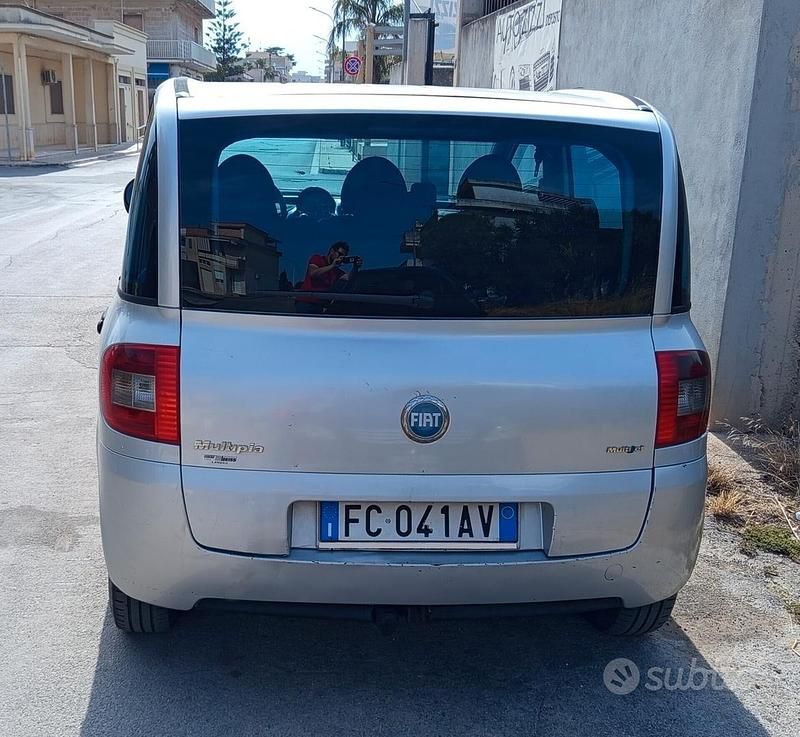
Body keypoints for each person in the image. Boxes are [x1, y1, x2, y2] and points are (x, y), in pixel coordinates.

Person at [296, 241, 360, 313]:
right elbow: (313, 273)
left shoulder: (336, 270)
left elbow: (348, 278)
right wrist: (332, 266)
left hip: (321, 306)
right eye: (340, 254)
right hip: (306, 303)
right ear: (332, 251)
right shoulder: (317, 259)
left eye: (343, 257)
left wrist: (355, 267)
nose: (341, 258)